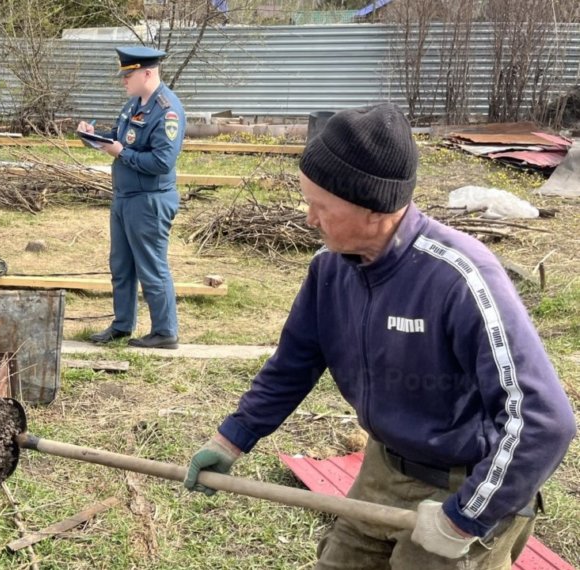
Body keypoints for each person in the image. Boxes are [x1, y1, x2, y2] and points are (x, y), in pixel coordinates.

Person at [183, 103, 576, 569]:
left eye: (322, 206)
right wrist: (232, 439)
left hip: (464, 480)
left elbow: (543, 421)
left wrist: (465, 518)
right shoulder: (330, 269)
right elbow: (293, 365)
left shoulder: (461, 279)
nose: (310, 219)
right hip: (383, 469)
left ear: (375, 208)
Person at [78, 46, 186, 350]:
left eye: (129, 74)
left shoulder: (168, 110)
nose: (123, 80)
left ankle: (165, 331)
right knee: (121, 265)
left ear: (147, 73)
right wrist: (93, 136)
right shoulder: (134, 105)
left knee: (151, 266)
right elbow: (119, 137)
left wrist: (121, 153)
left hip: (149, 201)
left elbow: (161, 162)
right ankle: (122, 324)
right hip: (125, 198)